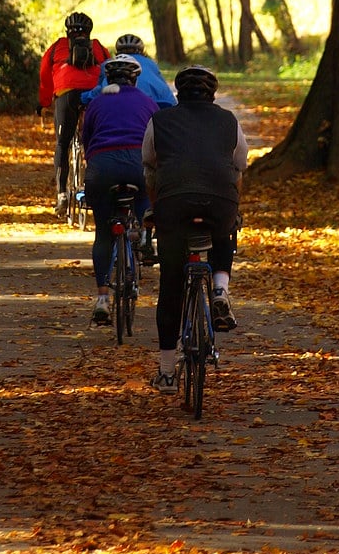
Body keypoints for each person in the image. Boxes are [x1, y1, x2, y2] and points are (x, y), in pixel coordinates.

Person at [142, 65, 248, 393]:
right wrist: (233, 207)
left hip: (173, 202)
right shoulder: (229, 121)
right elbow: (240, 165)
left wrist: (154, 208)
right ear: (213, 94)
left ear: (178, 93)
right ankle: (219, 289)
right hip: (220, 202)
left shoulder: (160, 120)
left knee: (171, 285)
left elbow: (149, 164)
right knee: (224, 232)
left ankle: (166, 372)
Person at [81, 54, 159, 325]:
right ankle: (144, 228)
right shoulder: (148, 102)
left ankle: (102, 298)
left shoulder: (96, 102)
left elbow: (85, 140)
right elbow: (156, 143)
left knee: (103, 234)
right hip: (137, 165)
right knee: (145, 194)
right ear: (135, 79)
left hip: (102, 168)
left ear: (108, 78)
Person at [37, 12, 110, 216]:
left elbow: (45, 77)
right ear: (89, 32)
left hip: (66, 95)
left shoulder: (56, 47)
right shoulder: (99, 48)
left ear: (67, 31)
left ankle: (61, 193)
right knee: (94, 144)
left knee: (62, 143)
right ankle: (93, 189)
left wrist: (43, 103)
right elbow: (109, 70)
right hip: (93, 96)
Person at [80, 33, 176, 109]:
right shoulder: (151, 63)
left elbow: (98, 90)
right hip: (157, 104)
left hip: (116, 106)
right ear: (142, 51)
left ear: (117, 52)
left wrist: (83, 97)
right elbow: (166, 91)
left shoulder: (110, 64)